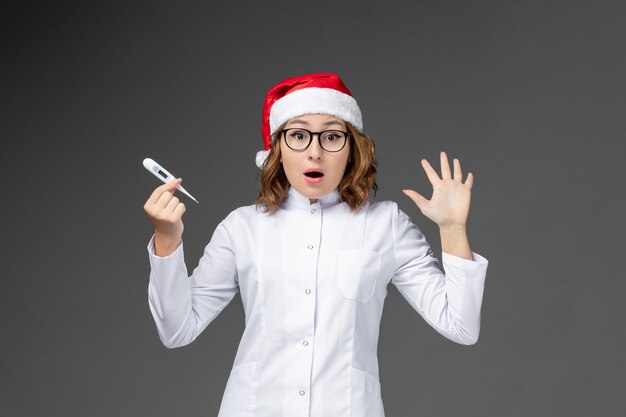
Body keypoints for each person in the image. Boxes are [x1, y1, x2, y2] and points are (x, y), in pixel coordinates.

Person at [143, 73, 489, 417]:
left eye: (332, 136)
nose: (315, 152)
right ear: (278, 148)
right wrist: (167, 238)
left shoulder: (387, 225)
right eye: (298, 135)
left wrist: (453, 228)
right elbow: (177, 330)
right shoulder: (243, 227)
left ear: (352, 147)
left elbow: (460, 326)